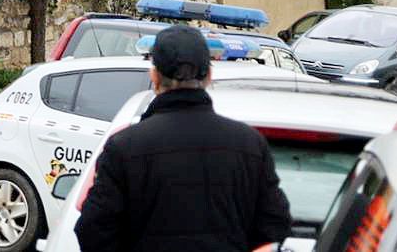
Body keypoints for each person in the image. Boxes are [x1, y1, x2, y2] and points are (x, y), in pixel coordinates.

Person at [74, 25, 292, 252]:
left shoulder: (124, 147)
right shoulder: (249, 144)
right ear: (209, 76)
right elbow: (275, 223)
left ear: (154, 77)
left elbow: (93, 229)